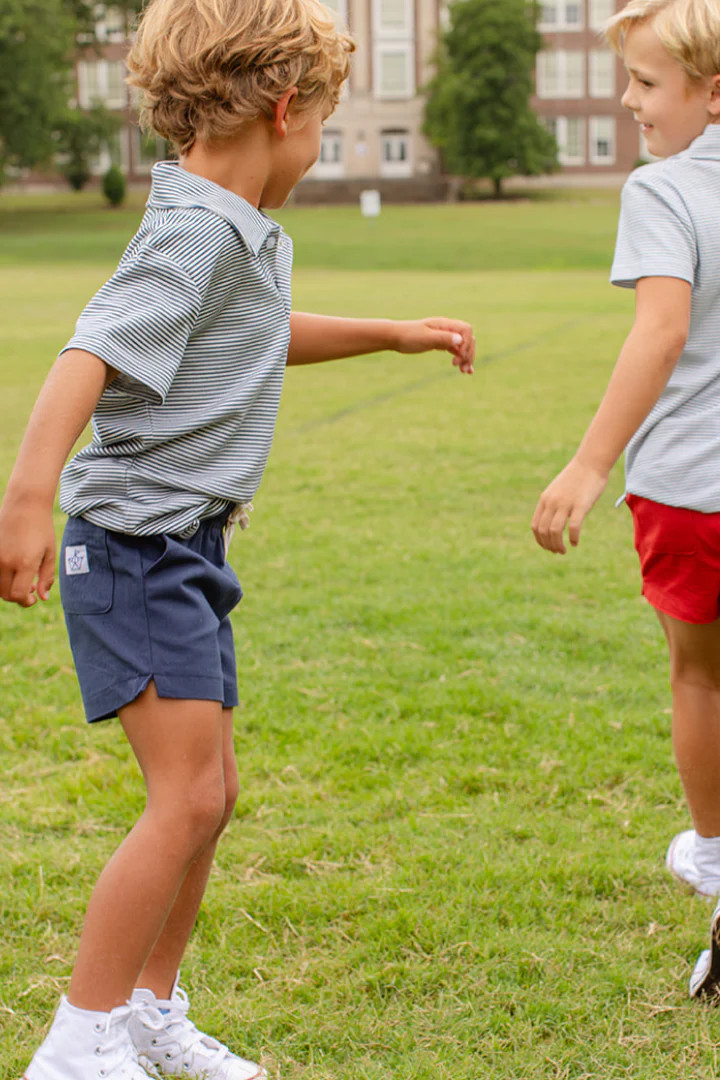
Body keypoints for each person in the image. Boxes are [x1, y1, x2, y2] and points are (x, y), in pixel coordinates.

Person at [0, 0, 476, 1077]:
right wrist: (27, 500)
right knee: (187, 800)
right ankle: (79, 1042)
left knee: (211, 798)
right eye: (327, 124)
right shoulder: (198, 229)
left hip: (186, 550)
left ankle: (147, 1013)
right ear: (283, 107)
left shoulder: (231, 225)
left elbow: (255, 335)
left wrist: (389, 334)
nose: (321, 144)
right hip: (134, 546)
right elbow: (88, 352)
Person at [531, 0, 720, 999]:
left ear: (713, 93)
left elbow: (661, 330)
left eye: (646, 82)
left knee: (703, 677)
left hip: (691, 491)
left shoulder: (663, 187)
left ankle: (717, 860)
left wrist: (589, 463)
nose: (627, 99)